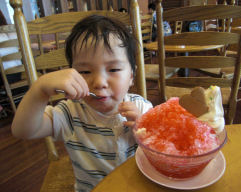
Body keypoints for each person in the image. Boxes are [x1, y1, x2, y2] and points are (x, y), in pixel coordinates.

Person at [11, 15, 152, 192]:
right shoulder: (69, 114)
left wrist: (145, 130)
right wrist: (39, 90)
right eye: (84, 71)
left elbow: (162, 154)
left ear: (131, 75)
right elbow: (22, 130)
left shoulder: (142, 109)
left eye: (114, 69)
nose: (99, 82)